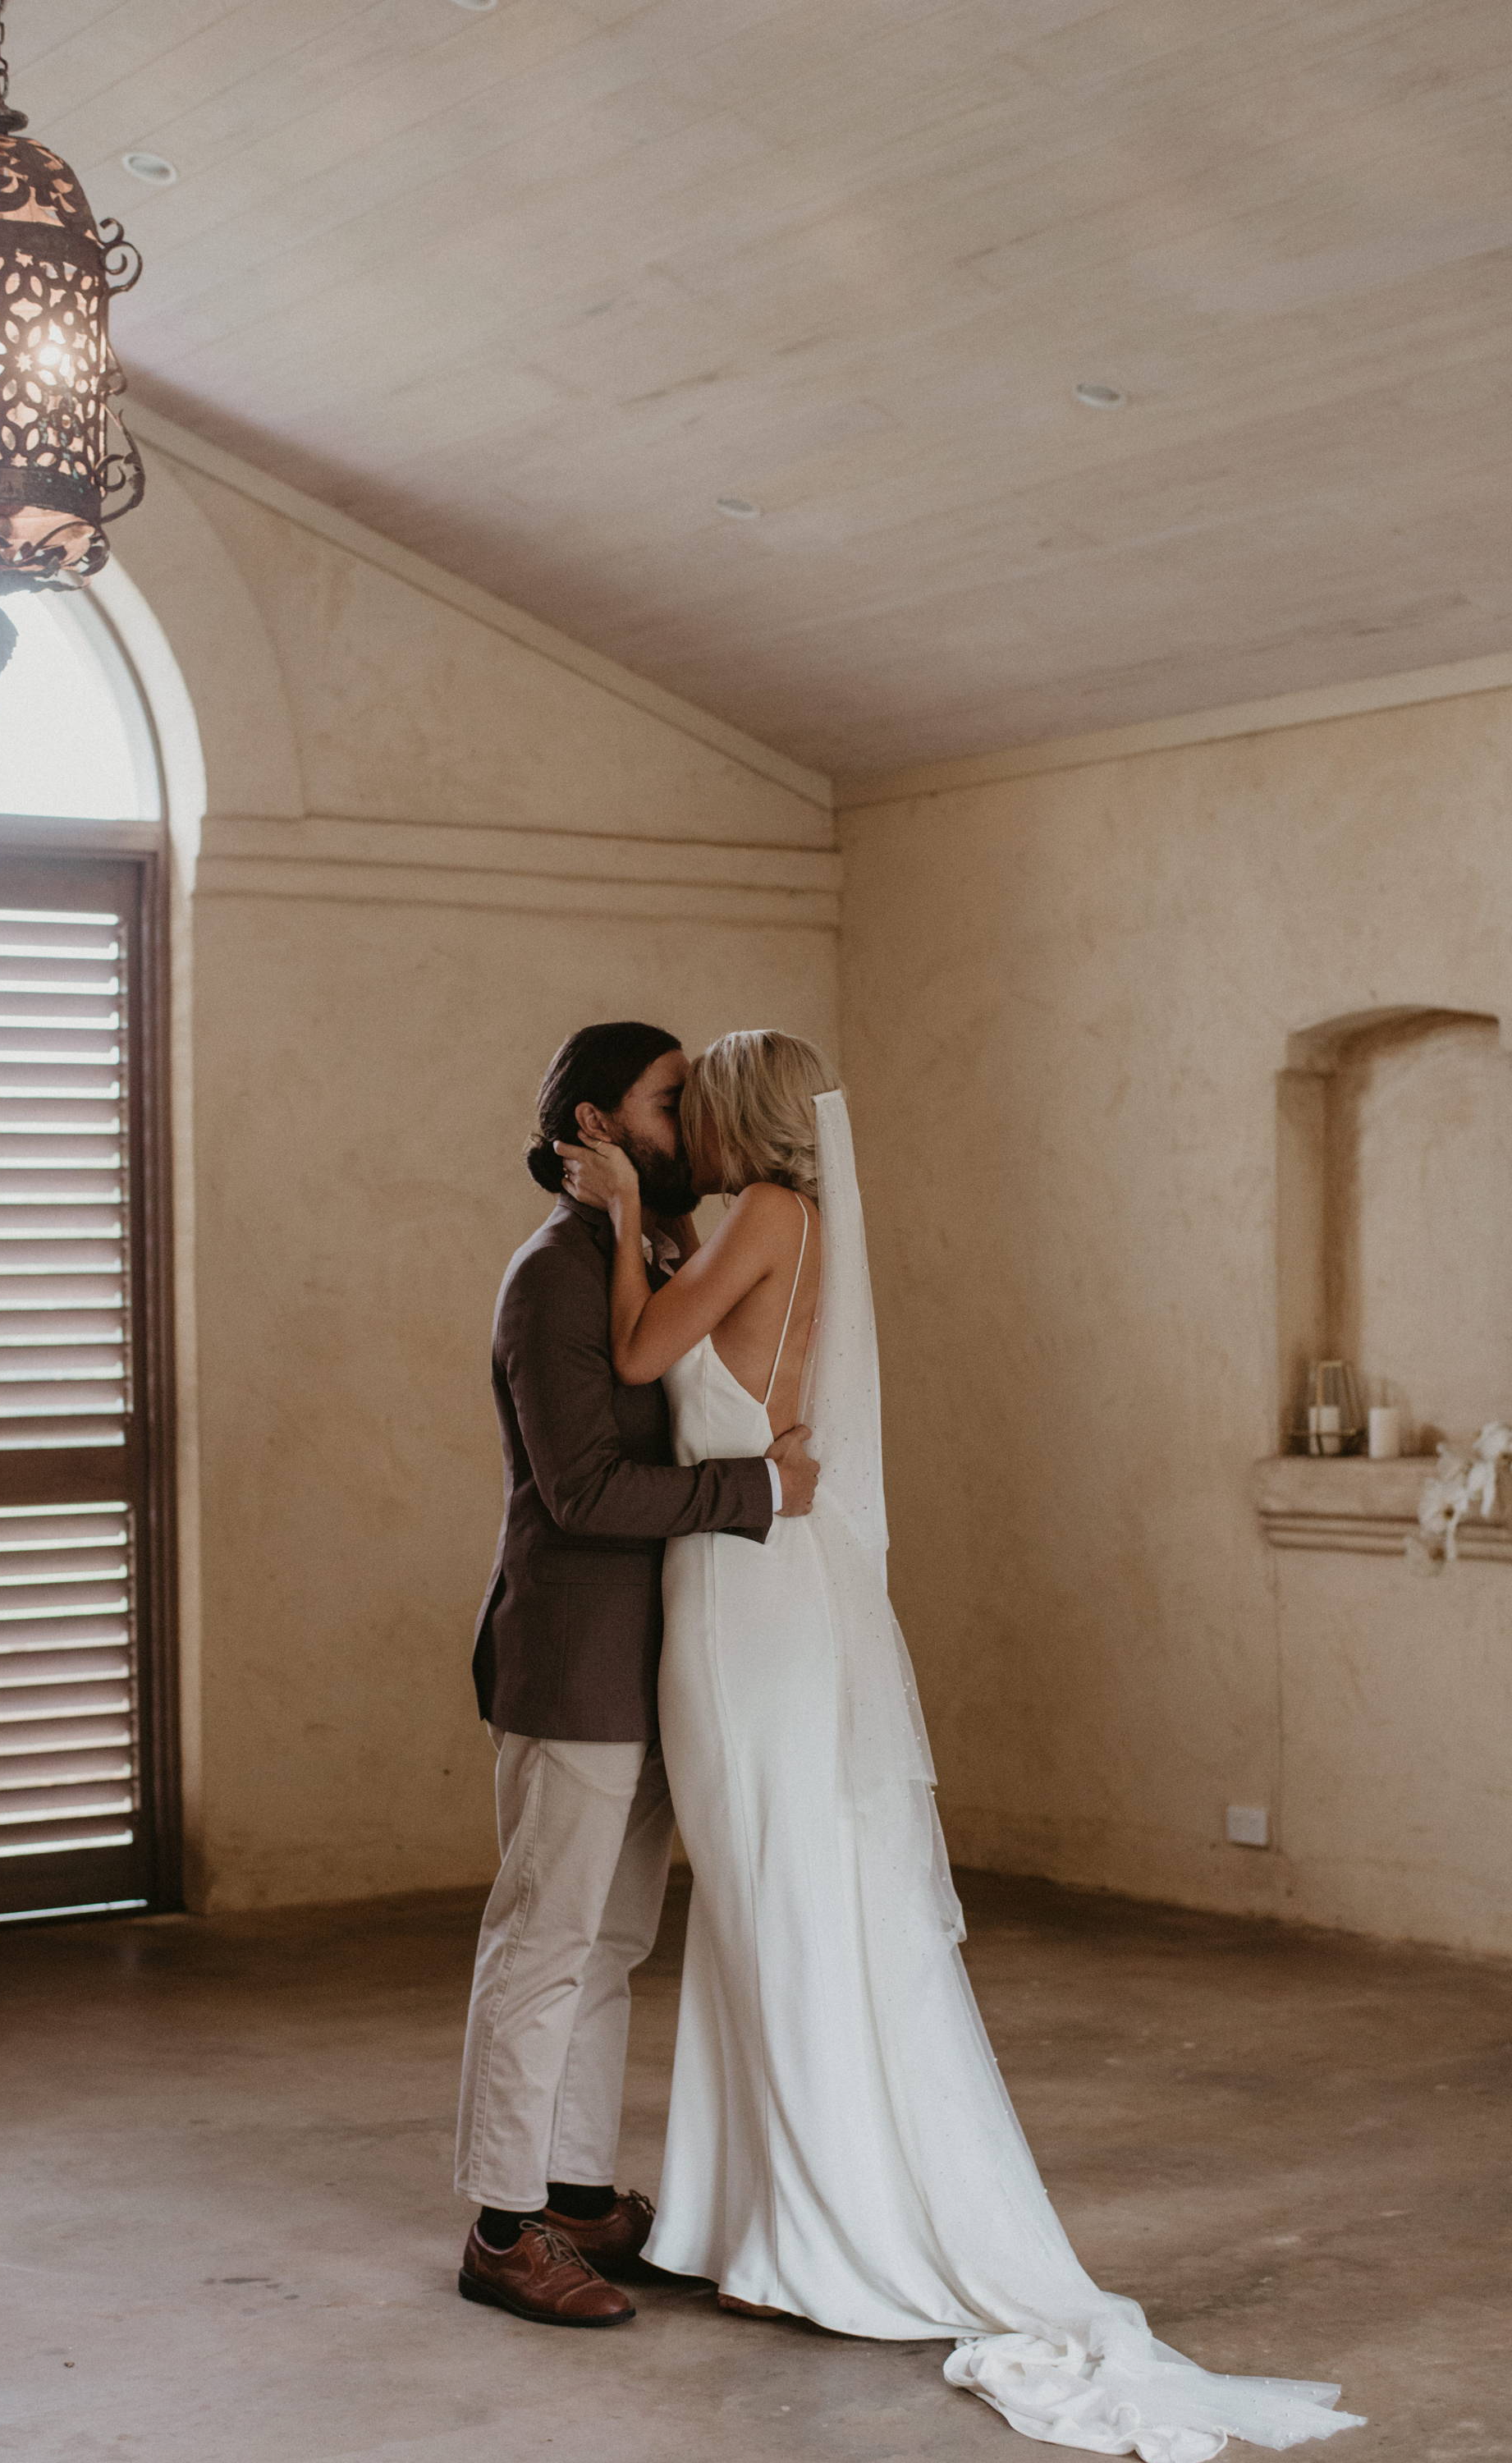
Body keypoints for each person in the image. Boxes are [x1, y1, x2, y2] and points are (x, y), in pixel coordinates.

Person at [557, 1030, 1363, 2459]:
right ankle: (762, 2220)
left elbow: (636, 1351)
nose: (680, 1126)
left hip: (747, 1607)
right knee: (764, 1912)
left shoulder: (762, 1216)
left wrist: (622, 1218)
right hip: (746, 1588)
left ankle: (824, 2231)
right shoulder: (777, 1224)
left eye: (697, 1101)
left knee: (777, 1909)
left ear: (737, 1115)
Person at [453, 1021, 819, 2329]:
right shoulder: (553, 1277)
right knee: (542, 1943)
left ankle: (575, 2187)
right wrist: (759, 1488)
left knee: (610, 1944)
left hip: (665, 1662)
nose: (698, 1123)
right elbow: (584, 1490)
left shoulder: (648, 1253)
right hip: (574, 1665)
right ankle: (501, 2231)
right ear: (601, 1127)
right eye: (673, 1102)